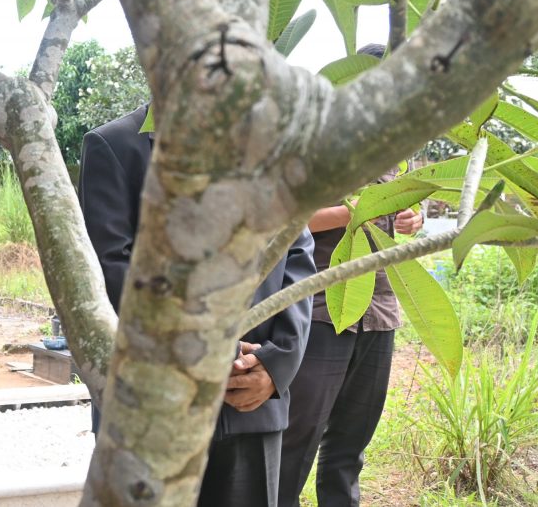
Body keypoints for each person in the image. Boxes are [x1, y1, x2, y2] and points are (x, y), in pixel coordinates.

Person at [79, 103, 315, 507]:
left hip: (251, 401)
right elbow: (108, 270)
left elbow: (297, 253)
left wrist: (277, 366)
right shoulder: (115, 145)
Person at [277, 43, 425, 507]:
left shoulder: (398, 153)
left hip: (379, 312)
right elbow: (286, 216)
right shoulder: (318, 144)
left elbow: (402, 213)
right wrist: (352, 210)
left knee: (349, 449)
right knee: (296, 441)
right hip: (321, 310)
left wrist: (409, 218)